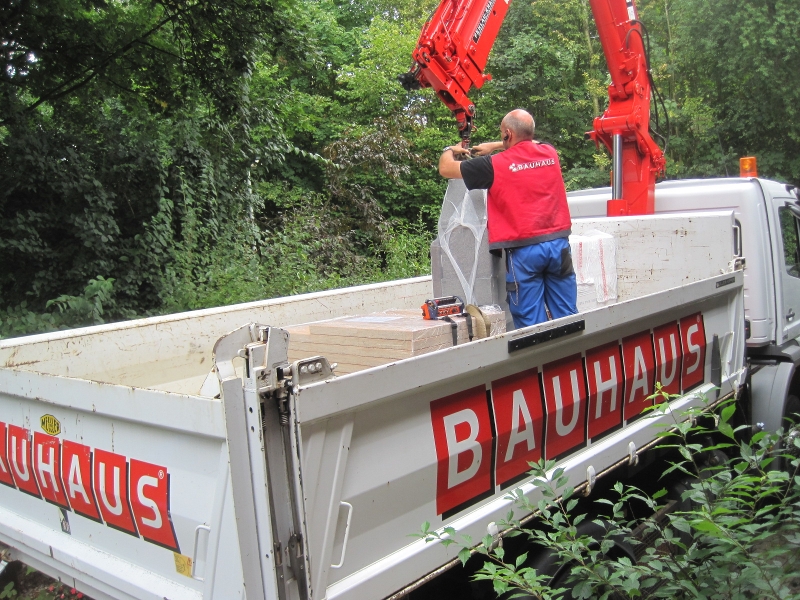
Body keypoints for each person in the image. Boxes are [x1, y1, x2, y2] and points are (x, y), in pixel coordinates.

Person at [438, 109, 578, 327]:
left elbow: (446, 169)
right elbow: (531, 139)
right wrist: (496, 144)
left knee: (531, 323)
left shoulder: (494, 165)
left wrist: (449, 150)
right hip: (558, 246)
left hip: (525, 252)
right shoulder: (550, 153)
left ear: (508, 135)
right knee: (568, 316)